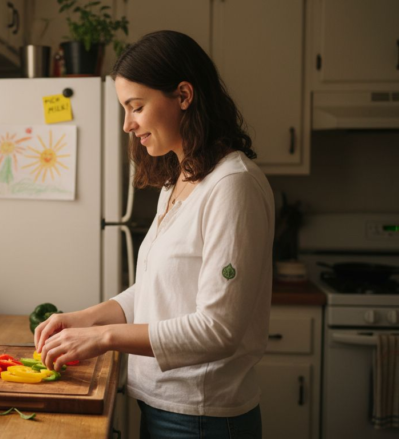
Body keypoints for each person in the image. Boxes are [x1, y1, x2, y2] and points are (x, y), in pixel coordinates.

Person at [34, 30, 274, 438]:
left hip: (202, 417)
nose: (128, 125)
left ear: (183, 96)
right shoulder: (178, 181)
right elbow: (157, 291)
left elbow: (219, 330)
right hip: (163, 406)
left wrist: (103, 337)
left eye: (136, 107)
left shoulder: (233, 186)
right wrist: (81, 319)